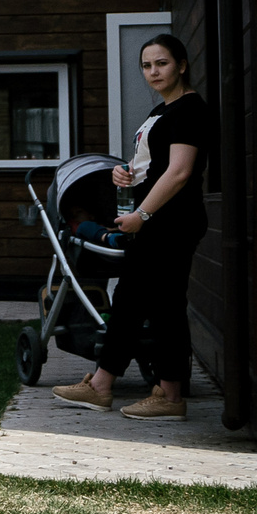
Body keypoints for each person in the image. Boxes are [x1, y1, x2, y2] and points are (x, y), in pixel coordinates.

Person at [53, 33, 214, 419]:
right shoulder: (160, 112)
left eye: (161, 63)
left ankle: (170, 396)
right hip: (156, 222)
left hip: (171, 222)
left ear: (181, 65)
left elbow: (179, 173)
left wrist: (141, 215)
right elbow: (154, 166)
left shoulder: (189, 110)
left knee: (165, 308)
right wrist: (125, 175)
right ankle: (102, 386)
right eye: (146, 65)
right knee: (130, 302)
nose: (153, 71)